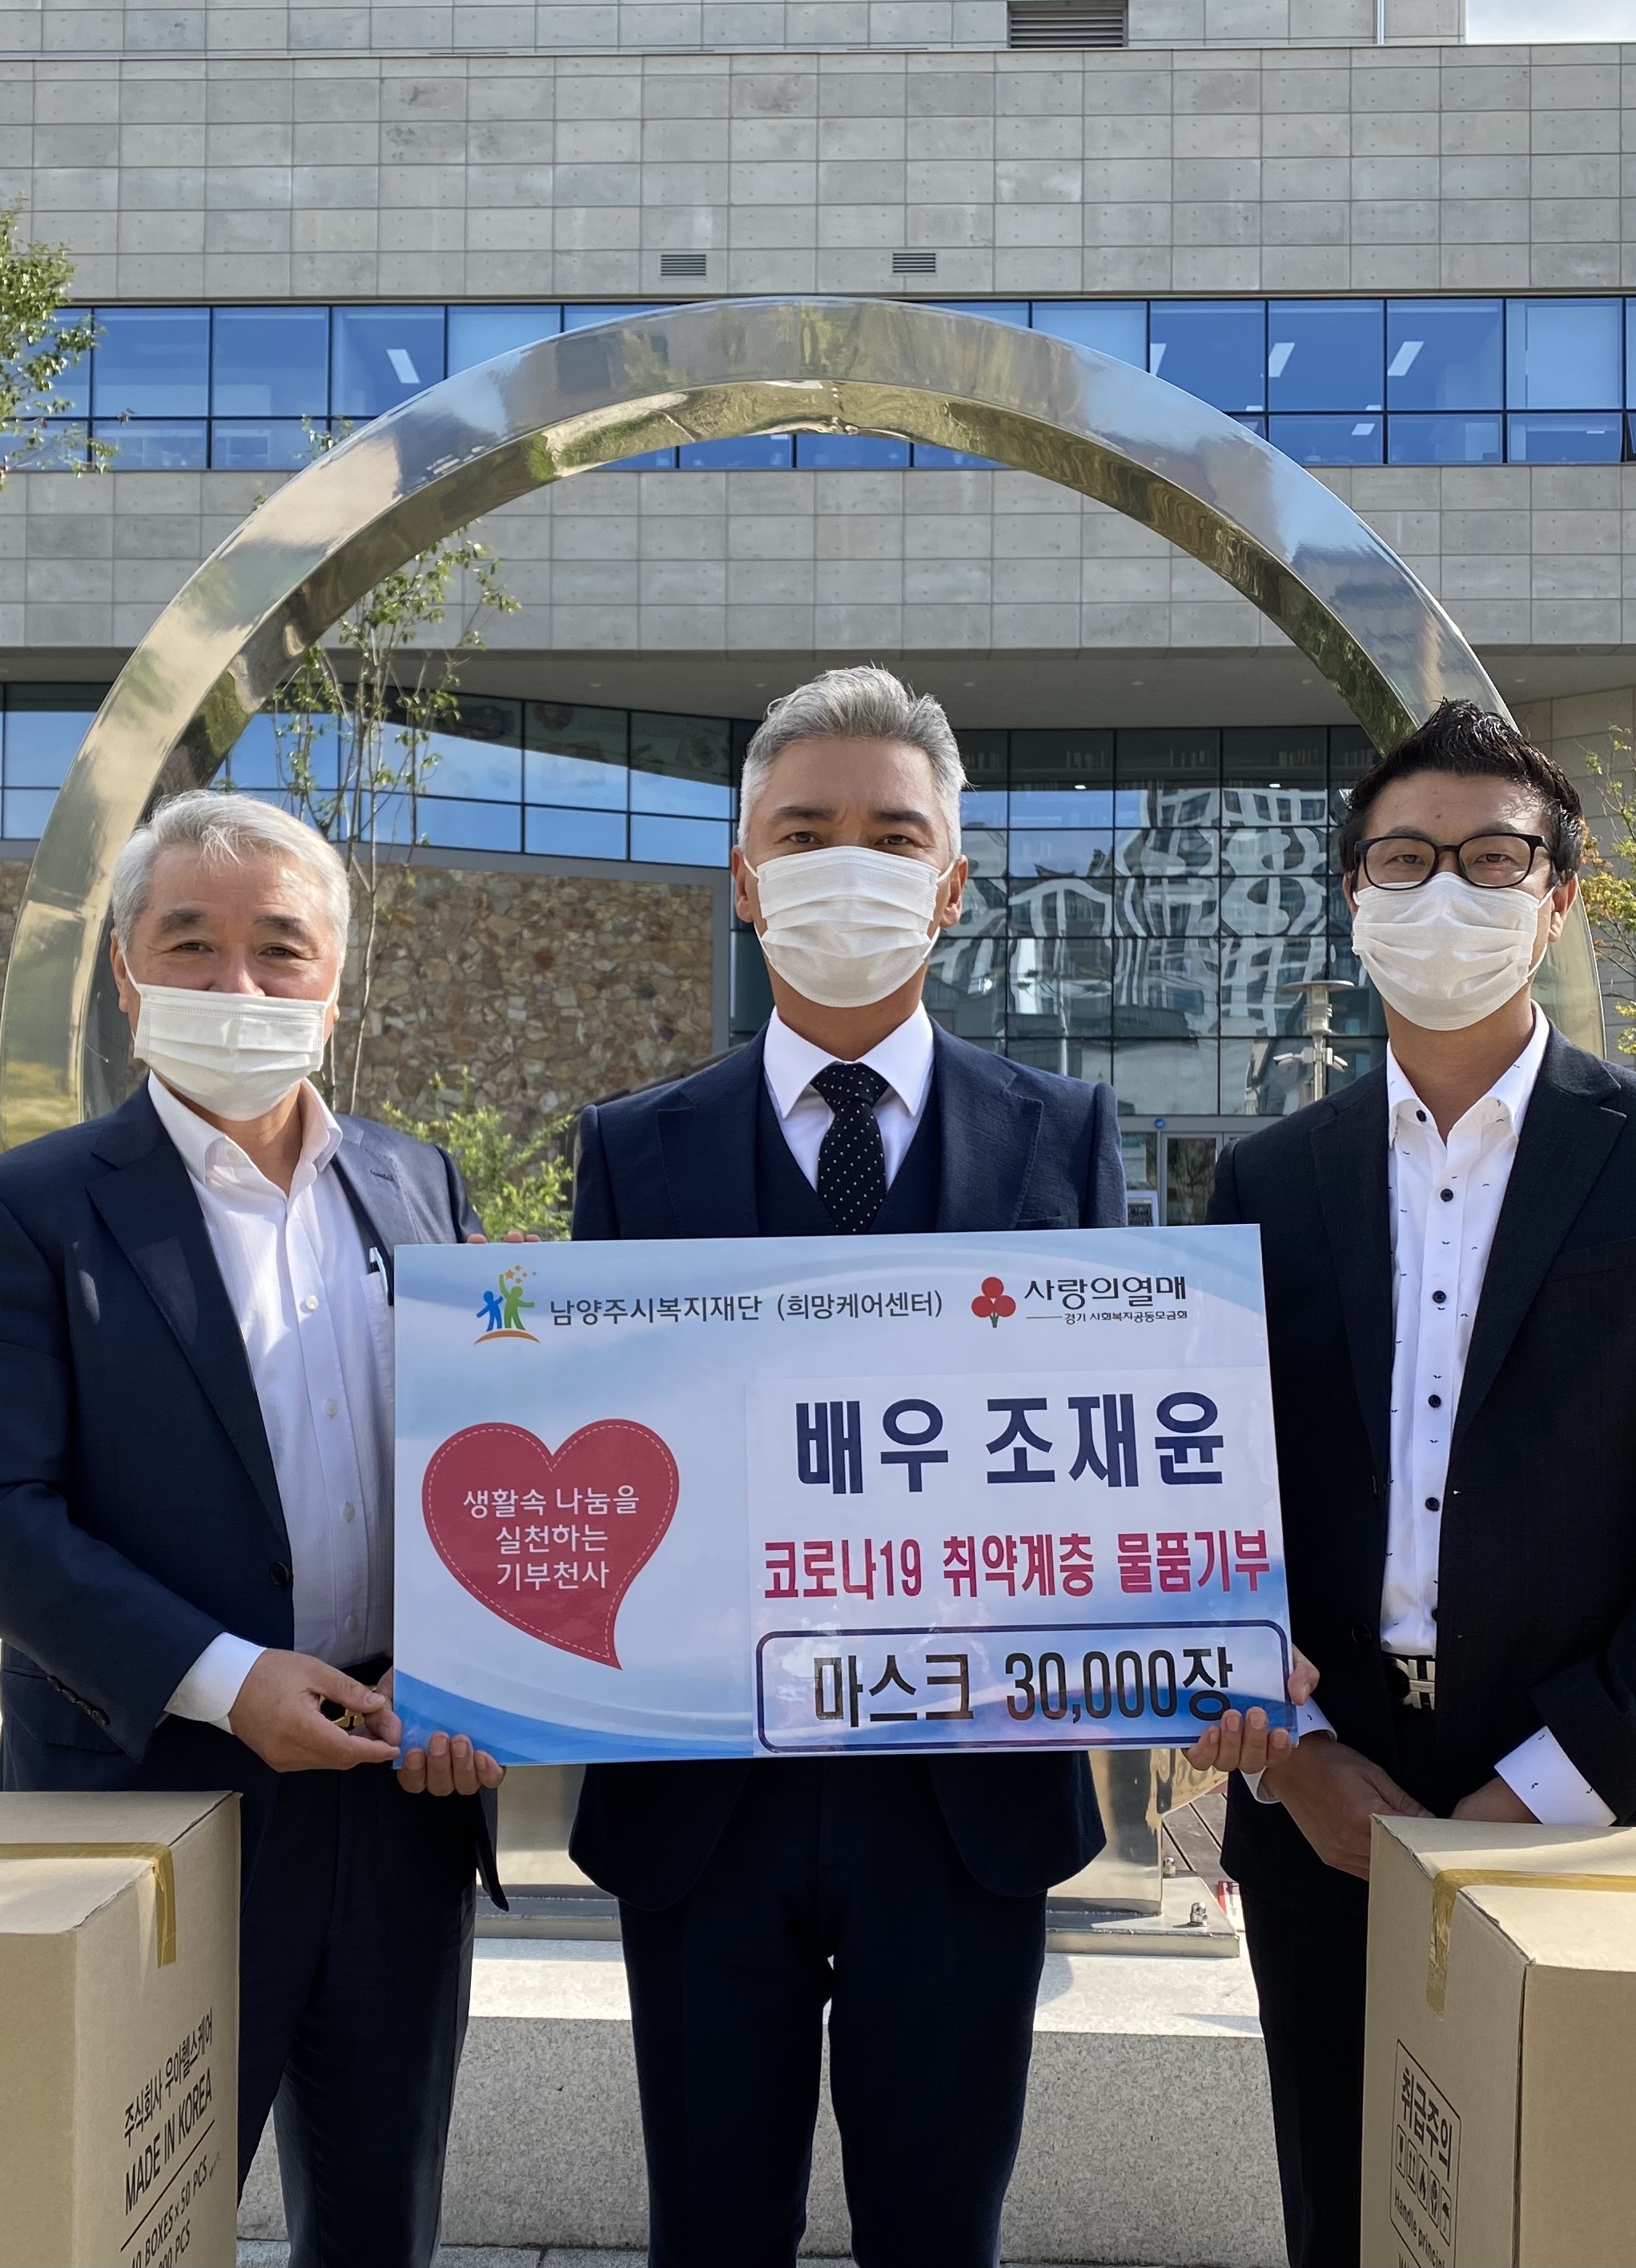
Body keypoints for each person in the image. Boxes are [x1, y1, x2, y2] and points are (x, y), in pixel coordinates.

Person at [1185, 700, 1636, 2268]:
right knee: (1347, 2214)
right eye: (1404, 859)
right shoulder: (1267, 1178)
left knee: (1597, 2225)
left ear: (1560, 892)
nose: (1443, 892)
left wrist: (1541, 1789)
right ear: (1354, 895)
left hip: (1594, 1807)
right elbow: (1210, 1509)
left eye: (1490, 858)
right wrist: (1295, 1760)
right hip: (1332, 1812)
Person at [568, 664, 1117, 2268]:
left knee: (939, 2233)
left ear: (952, 883)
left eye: (892, 834)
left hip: (965, 1802)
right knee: (708, 2233)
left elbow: (1114, 1445)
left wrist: (1209, 1635)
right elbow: (594, 1439)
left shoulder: (1067, 1135)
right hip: (701, 1800)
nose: (846, 867)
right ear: (745, 880)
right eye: (804, 834)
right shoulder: (633, 1148)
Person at [0, 791, 507, 2268]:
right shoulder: (21, 1211)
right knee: (120, 2230)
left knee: (381, 2229)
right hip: (155, 1805)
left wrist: (481, 1671)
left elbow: (484, 1471)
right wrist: (226, 1677)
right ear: (126, 973)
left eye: (279, 948)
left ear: (334, 981)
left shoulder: (415, 1184)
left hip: (400, 1792)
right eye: (191, 944)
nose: (237, 982)